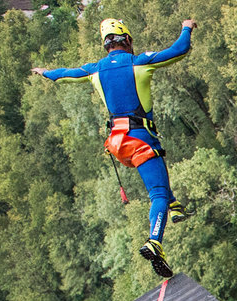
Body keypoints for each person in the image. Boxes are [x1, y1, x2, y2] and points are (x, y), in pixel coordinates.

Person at [33, 18, 194, 278]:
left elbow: (65, 74)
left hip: (118, 143)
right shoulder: (138, 62)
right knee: (157, 194)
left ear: (105, 45)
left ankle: (174, 207)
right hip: (140, 138)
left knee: (159, 181)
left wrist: (45, 73)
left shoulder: (95, 70)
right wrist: (186, 26)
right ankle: (155, 240)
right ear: (127, 40)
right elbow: (179, 50)